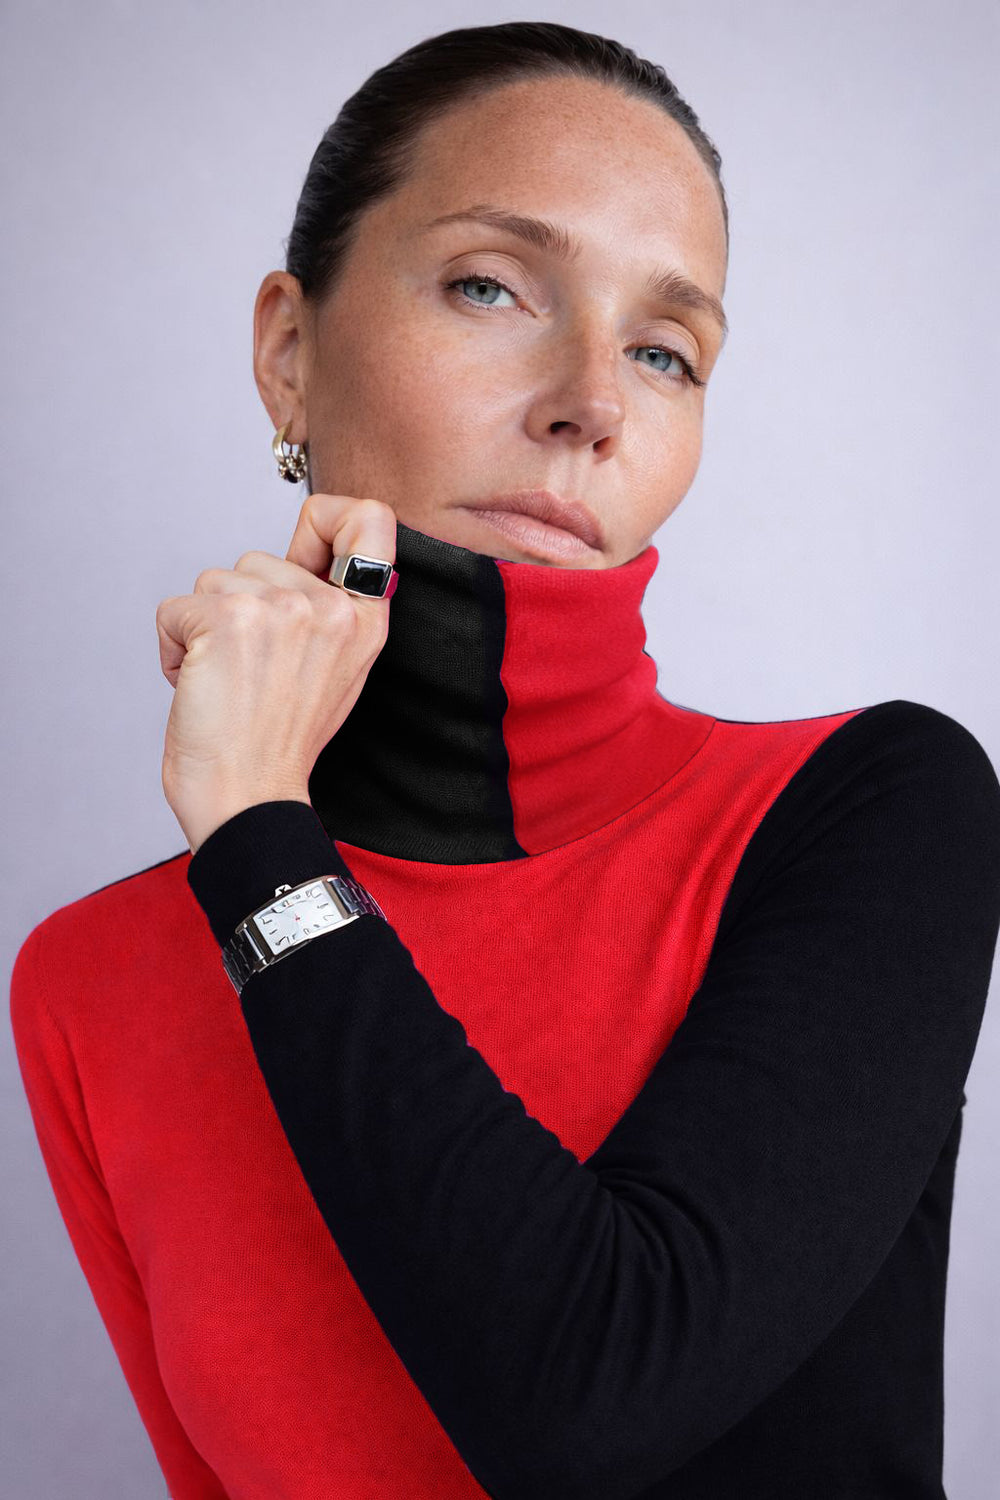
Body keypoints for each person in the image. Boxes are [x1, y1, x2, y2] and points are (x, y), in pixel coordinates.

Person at [10, 20, 1000, 1500]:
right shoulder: (92, 980)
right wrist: (259, 841)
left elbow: (590, 1396)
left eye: (665, 352)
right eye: (491, 286)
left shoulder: (866, 814)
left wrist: (261, 833)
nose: (592, 401)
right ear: (289, 352)